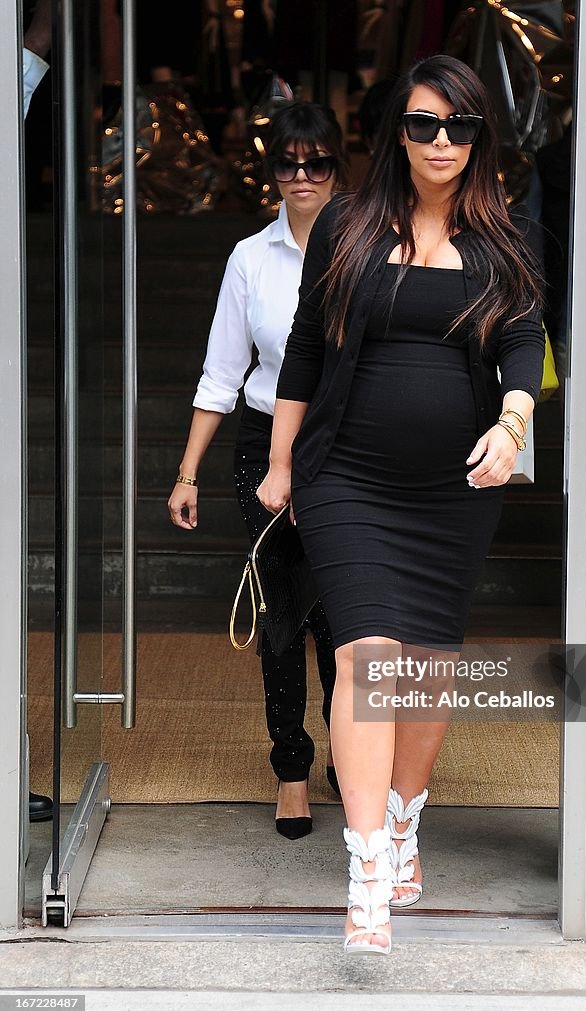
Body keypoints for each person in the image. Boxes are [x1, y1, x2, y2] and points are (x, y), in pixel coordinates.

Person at [257, 55, 545, 952]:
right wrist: (281, 465)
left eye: (457, 127)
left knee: (423, 671)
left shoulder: (508, 235)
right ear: (397, 133)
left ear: (479, 136)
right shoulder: (346, 224)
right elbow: (304, 351)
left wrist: (512, 423)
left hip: (450, 490)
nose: (439, 142)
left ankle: (406, 818)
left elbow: (526, 340)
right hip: (347, 474)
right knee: (366, 657)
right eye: (422, 125)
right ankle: (368, 867)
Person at [167, 102, 348, 839]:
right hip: (262, 442)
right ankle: (292, 772)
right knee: (283, 615)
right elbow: (221, 372)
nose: (300, 178)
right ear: (270, 170)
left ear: (340, 169)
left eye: (316, 164)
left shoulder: (370, 248)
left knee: (346, 619)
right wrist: (187, 473)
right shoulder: (251, 256)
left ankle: (352, 754)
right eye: (287, 164)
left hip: (346, 447)